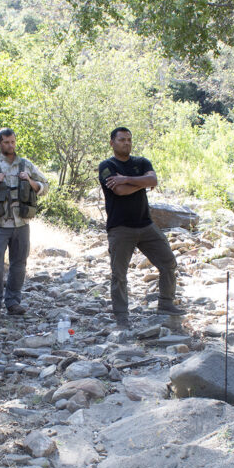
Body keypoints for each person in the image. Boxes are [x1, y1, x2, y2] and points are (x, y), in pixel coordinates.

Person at [99, 127, 182, 325]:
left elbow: (153, 180)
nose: (126, 143)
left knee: (169, 262)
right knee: (119, 274)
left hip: (145, 224)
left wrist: (127, 179)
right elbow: (118, 191)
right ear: (112, 142)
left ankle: (166, 302)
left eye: (129, 139)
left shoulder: (141, 162)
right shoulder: (106, 165)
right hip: (120, 228)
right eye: (121, 140)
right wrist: (141, 183)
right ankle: (121, 316)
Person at [0, 127, 49, 319]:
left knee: (19, 265)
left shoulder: (26, 165)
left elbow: (45, 186)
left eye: (13, 142)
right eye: (6, 142)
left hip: (22, 224)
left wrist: (31, 182)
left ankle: (13, 303)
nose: (10, 145)